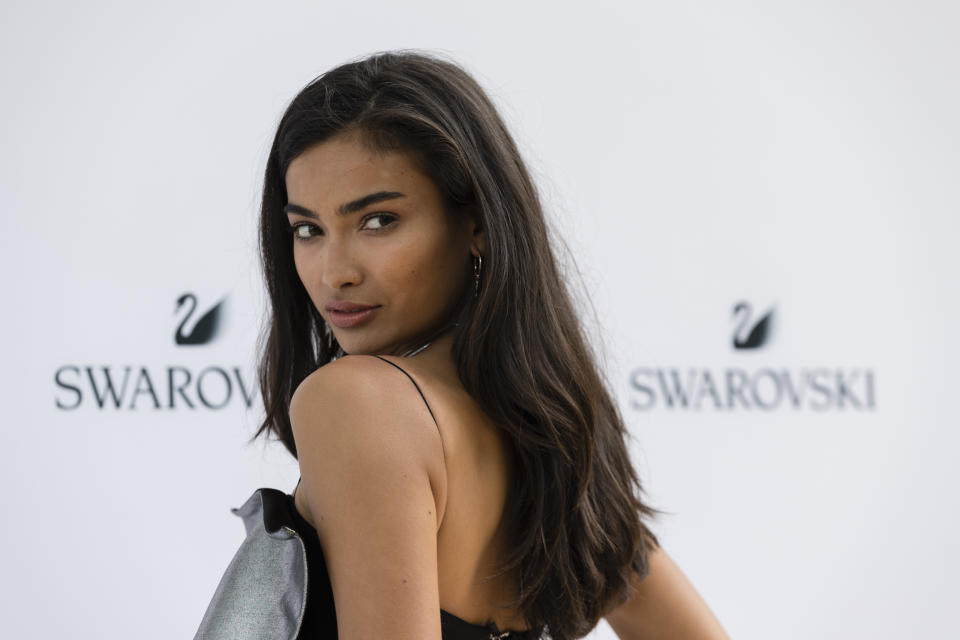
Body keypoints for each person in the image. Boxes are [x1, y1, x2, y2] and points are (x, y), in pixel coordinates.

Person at [195, 50, 730, 640]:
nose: (333, 273)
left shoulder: (357, 400)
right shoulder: (556, 442)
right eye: (308, 230)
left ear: (475, 222)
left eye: (378, 221)